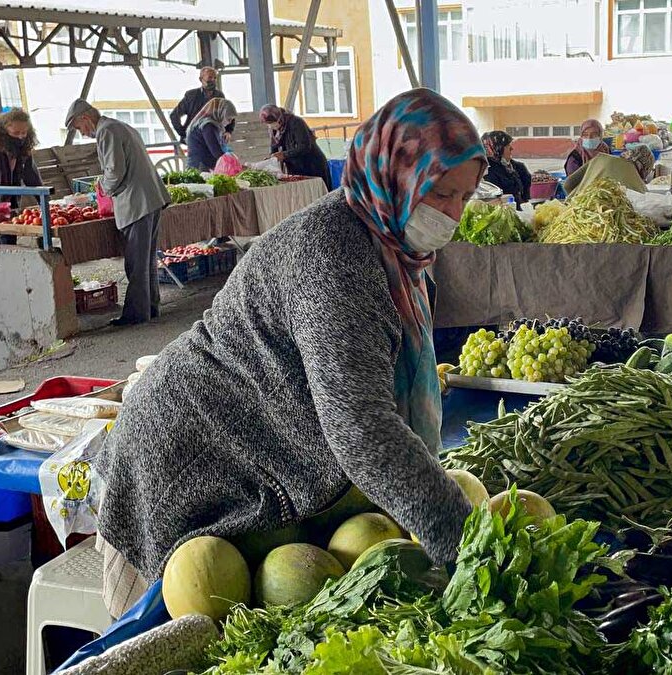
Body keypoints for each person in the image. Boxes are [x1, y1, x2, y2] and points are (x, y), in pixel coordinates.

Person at [93, 88, 484, 616]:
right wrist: (468, 549)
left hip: (254, 457)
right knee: (163, 636)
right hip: (177, 466)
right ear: (394, 173)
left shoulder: (394, 251)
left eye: (465, 197)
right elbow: (360, 428)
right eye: (441, 193)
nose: (453, 214)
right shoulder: (333, 255)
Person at [65, 100, 170, 327]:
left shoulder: (107, 131)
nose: (82, 133)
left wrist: (102, 188)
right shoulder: (119, 125)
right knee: (147, 260)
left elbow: (115, 171)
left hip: (136, 202)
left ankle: (136, 315)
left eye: (79, 127)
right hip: (151, 198)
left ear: (85, 118)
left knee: (137, 262)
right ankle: (150, 308)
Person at [260, 104, 332, 189]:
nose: (271, 126)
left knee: (317, 191)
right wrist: (271, 158)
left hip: (312, 165)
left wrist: (284, 155)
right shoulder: (275, 130)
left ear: (279, 118)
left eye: (272, 123)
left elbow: (304, 147)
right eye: (268, 124)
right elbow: (274, 146)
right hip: (295, 167)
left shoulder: (296, 122)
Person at [170, 67, 234, 142]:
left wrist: (228, 131)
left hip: (213, 137)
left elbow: (228, 115)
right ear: (201, 79)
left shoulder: (219, 95)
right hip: (195, 139)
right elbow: (174, 115)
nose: (213, 80)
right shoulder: (191, 96)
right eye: (210, 77)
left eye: (215, 78)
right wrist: (183, 134)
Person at [185, 98, 237, 171]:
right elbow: (217, 152)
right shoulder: (207, 126)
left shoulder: (214, 124)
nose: (230, 122)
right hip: (199, 169)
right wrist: (234, 163)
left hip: (206, 166)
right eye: (229, 119)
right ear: (220, 114)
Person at [481, 130, 531, 206]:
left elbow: (525, 194)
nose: (511, 148)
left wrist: (524, 205)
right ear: (497, 149)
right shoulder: (487, 171)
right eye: (507, 146)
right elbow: (495, 201)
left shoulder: (518, 167)